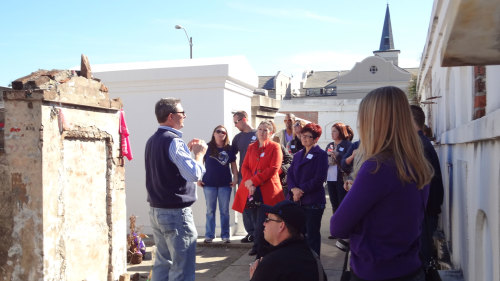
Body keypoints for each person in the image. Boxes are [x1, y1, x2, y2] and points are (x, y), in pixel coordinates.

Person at [330, 86, 433, 281]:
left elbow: (337, 226)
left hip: (376, 271)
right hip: (410, 267)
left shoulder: (377, 167)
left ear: (373, 122)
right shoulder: (416, 163)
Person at [145, 98, 207, 281]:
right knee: (182, 269)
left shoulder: (152, 140)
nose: (185, 116)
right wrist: (199, 154)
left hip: (157, 210)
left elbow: (168, 169)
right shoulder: (173, 141)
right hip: (175, 213)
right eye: (182, 113)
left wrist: (186, 154)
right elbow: (194, 174)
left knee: (163, 265)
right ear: (171, 116)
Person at [232, 120, 285, 257]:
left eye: (265, 130)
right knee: (254, 220)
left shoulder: (275, 147)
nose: (262, 132)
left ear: (271, 133)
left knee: (264, 221)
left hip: (268, 190)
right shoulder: (251, 147)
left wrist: (254, 181)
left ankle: (261, 251)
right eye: (260, 129)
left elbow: (273, 168)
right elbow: (245, 167)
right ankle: (257, 246)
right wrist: (250, 183)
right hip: (250, 190)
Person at [249, 201, 327, 281]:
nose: (264, 223)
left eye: (268, 219)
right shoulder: (313, 258)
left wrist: (255, 276)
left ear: (281, 226)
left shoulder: (272, 264)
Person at [287, 123, 329, 256]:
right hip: (297, 201)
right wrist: (293, 189)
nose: (304, 138)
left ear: (315, 139)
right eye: (302, 135)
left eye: (307, 136)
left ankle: (314, 266)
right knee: (299, 235)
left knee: (312, 235)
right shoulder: (298, 154)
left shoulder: (320, 155)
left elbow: (319, 179)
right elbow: (290, 173)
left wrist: (300, 190)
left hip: (313, 202)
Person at [410, 105, 444, 268]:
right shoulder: (420, 141)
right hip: (426, 212)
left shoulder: (418, 145)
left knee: (420, 263)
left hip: (424, 214)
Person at [198, 125, 238, 243]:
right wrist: (198, 178)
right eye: (218, 131)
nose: (221, 134)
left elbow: (234, 166)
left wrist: (235, 178)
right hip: (209, 184)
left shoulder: (229, 149)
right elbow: (200, 163)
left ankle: (225, 235)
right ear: (214, 133)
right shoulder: (207, 147)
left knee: (224, 211)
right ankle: (209, 235)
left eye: (223, 132)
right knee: (210, 210)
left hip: (225, 184)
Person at [231, 111, 258, 243]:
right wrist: (235, 175)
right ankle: (250, 233)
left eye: (236, 122)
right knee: (246, 205)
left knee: (257, 205)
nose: (235, 125)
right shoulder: (237, 138)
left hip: (257, 177)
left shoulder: (258, 134)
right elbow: (231, 157)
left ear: (244, 119)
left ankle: (259, 232)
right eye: (234, 122)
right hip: (243, 178)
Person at [325, 123, 352, 213]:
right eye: (331, 131)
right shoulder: (330, 145)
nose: (332, 133)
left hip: (342, 179)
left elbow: (350, 163)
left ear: (341, 132)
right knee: (334, 204)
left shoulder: (347, 145)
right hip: (330, 178)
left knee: (343, 204)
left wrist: (338, 156)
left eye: (334, 131)